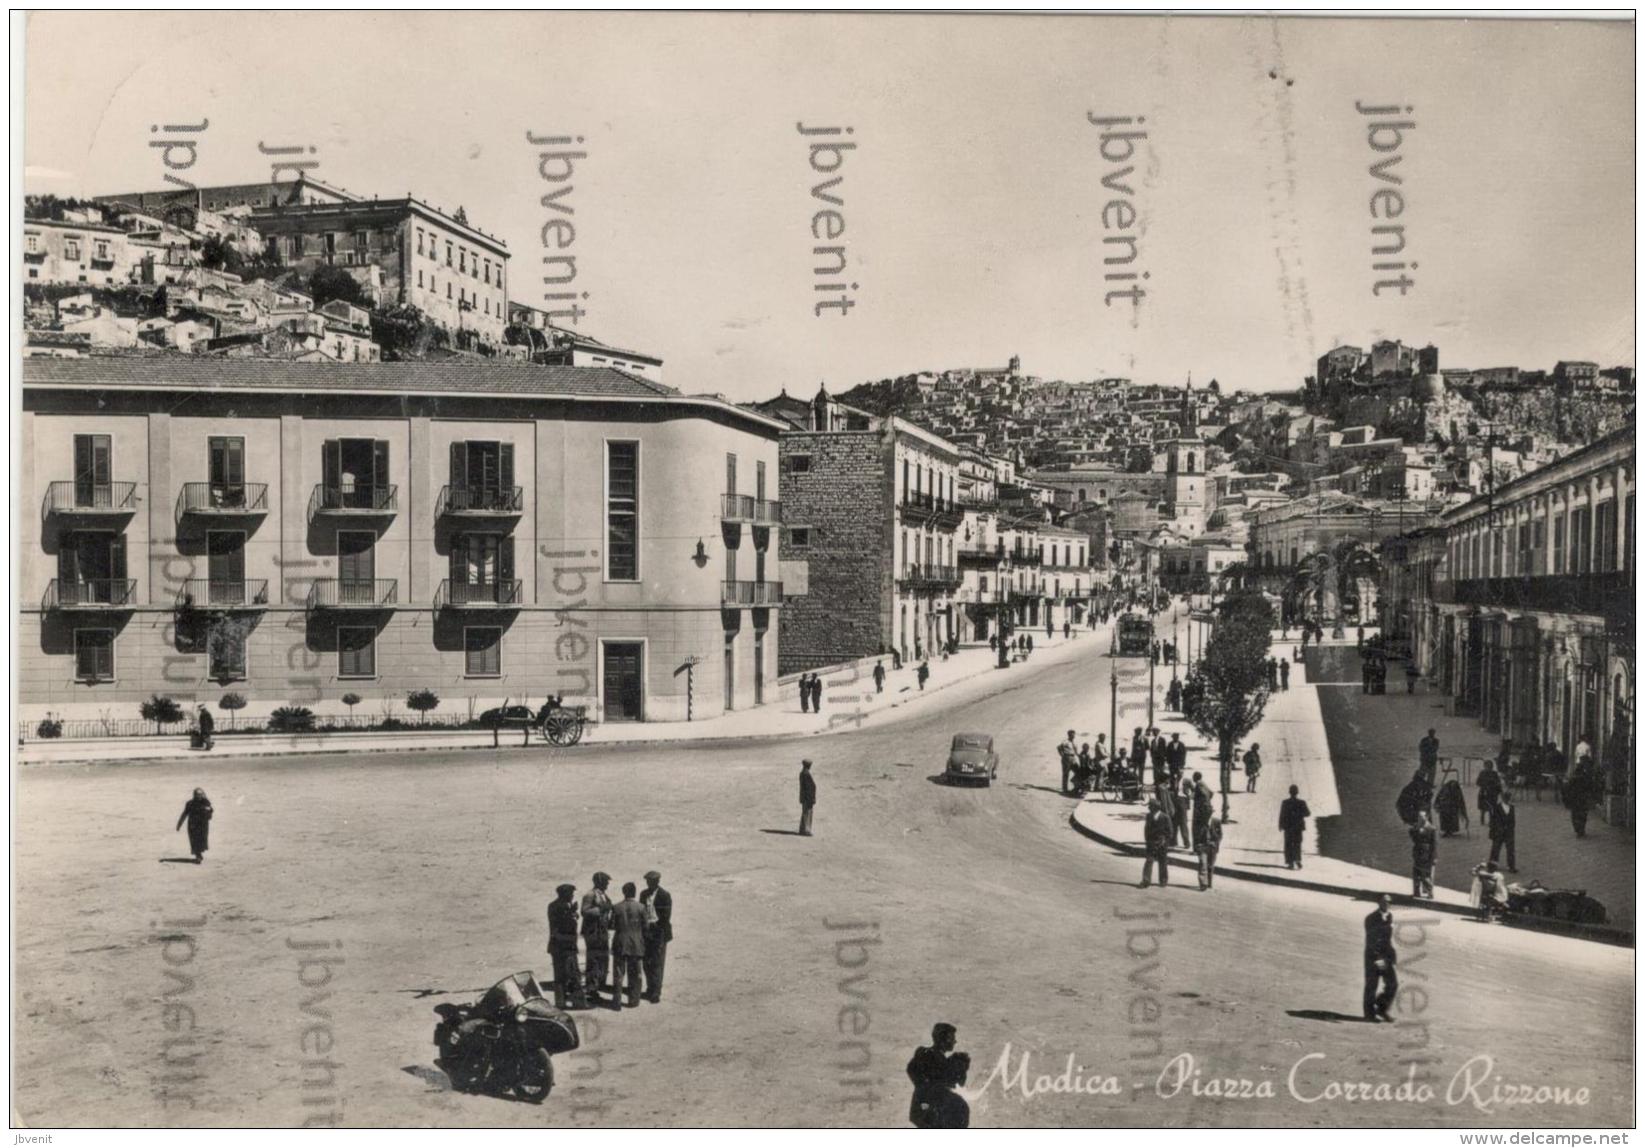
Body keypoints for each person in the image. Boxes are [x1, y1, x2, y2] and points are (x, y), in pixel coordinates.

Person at [906, 1023, 971, 1128]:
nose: (955, 1041)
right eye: (952, 1038)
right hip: (928, 1109)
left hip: (932, 1108)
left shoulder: (940, 1059)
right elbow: (913, 1071)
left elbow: (955, 1083)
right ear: (943, 1039)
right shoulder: (926, 1054)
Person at [547, 883, 587, 1009]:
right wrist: (572, 914)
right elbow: (565, 926)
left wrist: (572, 913)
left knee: (559, 976)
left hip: (557, 946)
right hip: (565, 946)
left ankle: (561, 1003)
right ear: (565, 895)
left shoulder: (554, 906)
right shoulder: (560, 907)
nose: (572, 896)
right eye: (571, 894)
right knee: (574, 974)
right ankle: (578, 1003)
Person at [1363, 895, 1398, 1023]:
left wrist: (1392, 955)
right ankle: (1369, 1014)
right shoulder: (1371, 918)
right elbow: (1371, 940)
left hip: (1386, 956)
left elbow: (1387, 939)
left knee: (1392, 984)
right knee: (1372, 985)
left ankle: (1381, 1008)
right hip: (1373, 956)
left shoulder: (1389, 916)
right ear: (1379, 903)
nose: (1386, 904)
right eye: (1384, 902)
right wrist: (1378, 958)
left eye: (1389, 902)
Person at [581, 872, 615, 1004]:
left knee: (603, 959)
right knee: (594, 960)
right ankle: (591, 988)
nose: (607, 884)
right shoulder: (590, 895)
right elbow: (584, 911)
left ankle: (600, 984)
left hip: (602, 932)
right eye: (606, 882)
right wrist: (600, 910)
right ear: (599, 882)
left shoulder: (603, 894)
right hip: (593, 933)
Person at [640, 870, 672, 1003]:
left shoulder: (664, 895)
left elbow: (666, 917)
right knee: (646, 962)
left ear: (657, 882)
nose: (649, 884)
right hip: (646, 931)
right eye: (648, 881)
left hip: (659, 931)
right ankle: (650, 987)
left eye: (651, 881)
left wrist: (654, 927)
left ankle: (656, 991)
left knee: (657, 962)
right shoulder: (643, 894)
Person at [1140, 799, 1173, 888]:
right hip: (1151, 843)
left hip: (1162, 844)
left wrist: (1165, 842)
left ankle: (1163, 880)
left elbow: (1170, 832)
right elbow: (1146, 830)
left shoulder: (1165, 817)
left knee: (1162, 862)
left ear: (1155, 808)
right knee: (1149, 861)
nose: (1149, 808)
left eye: (1150, 806)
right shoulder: (1149, 816)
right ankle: (1146, 880)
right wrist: (1147, 841)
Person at [176, 788, 213, 863]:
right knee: (194, 841)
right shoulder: (189, 803)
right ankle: (198, 856)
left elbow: (210, 814)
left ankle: (199, 854)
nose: (198, 796)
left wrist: (209, 811)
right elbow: (184, 814)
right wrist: (179, 824)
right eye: (197, 794)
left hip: (203, 826)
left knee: (202, 841)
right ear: (194, 795)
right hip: (193, 826)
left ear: (203, 794)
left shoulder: (206, 802)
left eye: (200, 794)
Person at [1279, 785, 1310, 870]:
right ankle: (1297, 860)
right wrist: (1299, 814)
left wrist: (1280, 825)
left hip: (1288, 827)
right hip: (1298, 827)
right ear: (1297, 792)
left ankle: (1290, 862)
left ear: (1289, 792)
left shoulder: (1285, 802)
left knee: (1288, 844)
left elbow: (1282, 815)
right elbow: (1308, 813)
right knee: (1297, 844)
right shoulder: (1301, 802)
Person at [1568, 751, 1599, 837]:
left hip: (1577, 796)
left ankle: (1579, 829)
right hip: (1582, 796)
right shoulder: (1587, 773)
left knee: (1577, 814)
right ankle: (1580, 829)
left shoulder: (1577, 772)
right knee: (1582, 814)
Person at [1409, 811, 1437, 899]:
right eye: (1419, 817)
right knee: (1416, 872)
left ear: (1427, 817)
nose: (1420, 819)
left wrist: (1434, 857)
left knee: (1425, 874)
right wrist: (1416, 829)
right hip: (1417, 852)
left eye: (1422, 817)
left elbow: (1434, 844)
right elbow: (1412, 837)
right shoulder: (1416, 827)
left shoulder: (1431, 828)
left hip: (1426, 853)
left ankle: (1430, 892)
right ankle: (1416, 892)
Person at [1488, 792, 1517, 872]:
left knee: (1510, 849)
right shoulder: (1496, 808)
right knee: (1496, 849)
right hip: (1499, 832)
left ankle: (1511, 866)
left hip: (1508, 832)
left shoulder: (1512, 807)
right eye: (1507, 798)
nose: (1508, 800)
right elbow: (1493, 821)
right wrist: (1493, 831)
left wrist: (1511, 829)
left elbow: (1513, 821)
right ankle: (1492, 865)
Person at [1196, 814, 1222, 891]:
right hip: (1203, 846)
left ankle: (1209, 882)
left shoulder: (1216, 821)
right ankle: (1203, 883)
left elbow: (1220, 835)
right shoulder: (1199, 821)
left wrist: (1215, 843)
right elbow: (1196, 833)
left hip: (1212, 847)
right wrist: (1197, 845)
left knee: (1210, 866)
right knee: (1203, 864)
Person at [1191, 772, 1215, 846]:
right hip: (1207, 808)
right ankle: (1204, 844)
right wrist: (1207, 802)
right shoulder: (1204, 783)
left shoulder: (1198, 785)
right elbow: (1211, 793)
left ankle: (1198, 847)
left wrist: (1199, 802)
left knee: (1197, 829)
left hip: (1201, 810)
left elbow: (1202, 794)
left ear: (1195, 778)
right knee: (1204, 826)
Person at [1172, 778, 1193, 849]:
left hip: (1183, 802)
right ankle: (1173, 841)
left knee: (1183, 823)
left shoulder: (1187, 780)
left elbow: (1194, 790)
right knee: (1174, 822)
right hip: (1175, 802)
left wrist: (1189, 797)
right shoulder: (1173, 779)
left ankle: (1186, 842)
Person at [799, 759, 817, 836]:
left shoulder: (803, 773)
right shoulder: (806, 774)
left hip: (805, 796)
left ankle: (803, 829)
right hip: (807, 797)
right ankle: (806, 830)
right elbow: (808, 788)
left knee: (805, 813)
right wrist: (811, 798)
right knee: (807, 813)